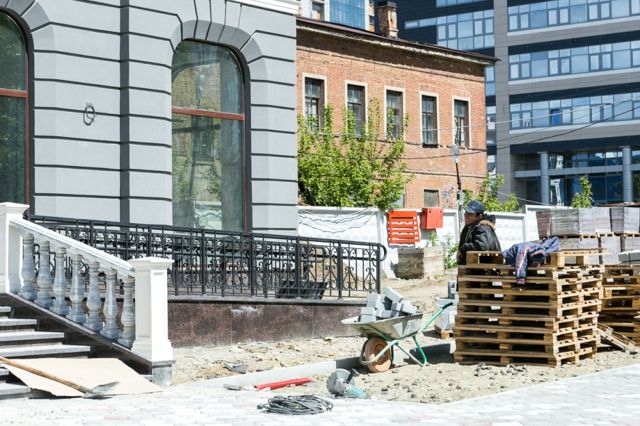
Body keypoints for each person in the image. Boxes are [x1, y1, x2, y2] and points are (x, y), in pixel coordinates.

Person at [456, 200, 501, 265]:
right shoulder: (470, 227)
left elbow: (482, 247)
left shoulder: (483, 227)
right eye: (466, 212)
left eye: (470, 214)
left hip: (482, 269)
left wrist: (465, 247)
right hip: (472, 267)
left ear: (479, 216)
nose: (465, 215)